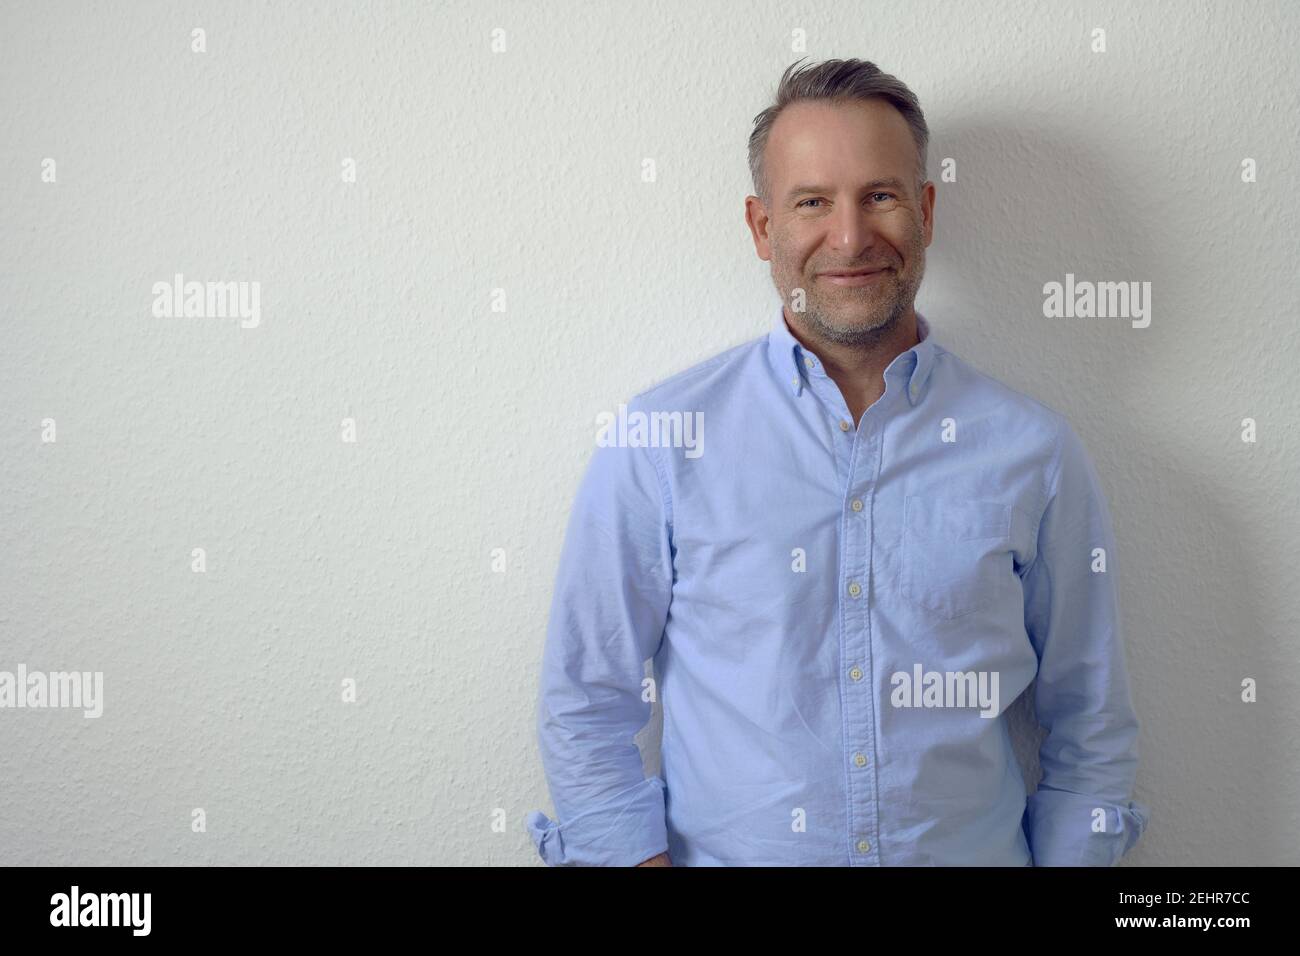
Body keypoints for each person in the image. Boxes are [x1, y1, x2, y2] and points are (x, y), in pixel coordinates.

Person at [525, 57, 1150, 866]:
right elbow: (585, 699)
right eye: (812, 202)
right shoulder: (659, 442)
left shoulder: (1035, 452)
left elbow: (1091, 722)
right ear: (762, 228)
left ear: (926, 211)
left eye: (880, 196)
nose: (850, 238)